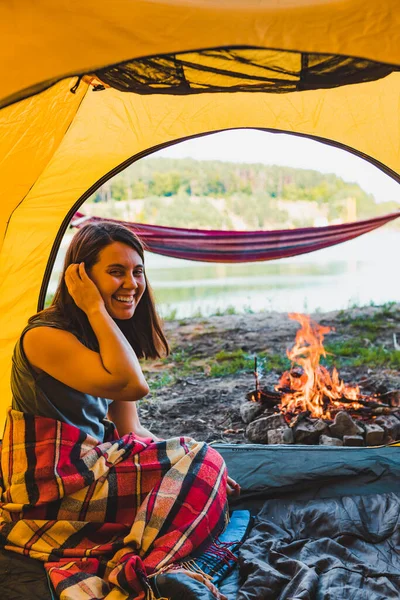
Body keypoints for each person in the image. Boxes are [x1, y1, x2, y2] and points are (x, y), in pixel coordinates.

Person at [2, 221, 240, 600]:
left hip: (91, 471)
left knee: (202, 461)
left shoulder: (107, 336)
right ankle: (152, 571)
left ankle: (164, 561)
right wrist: (96, 309)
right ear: (79, 277)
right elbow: (134, 385)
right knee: (202, 464)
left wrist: (190, 468)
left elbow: (132, 430)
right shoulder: (43, 337)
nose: (131, 284)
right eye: (116, 272)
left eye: (137, 271)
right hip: (50, 489)